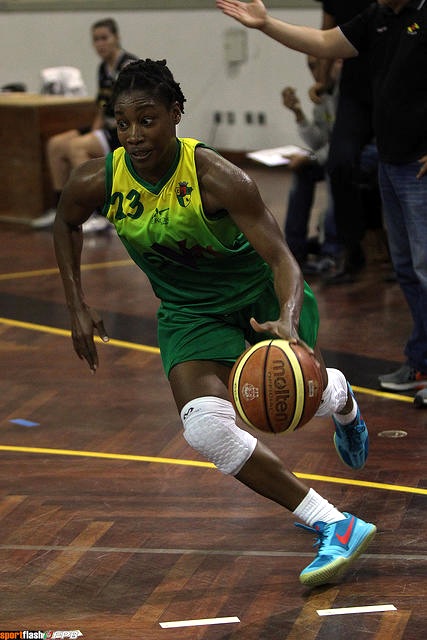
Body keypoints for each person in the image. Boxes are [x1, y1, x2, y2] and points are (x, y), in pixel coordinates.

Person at [53, 58, 375, 588]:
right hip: (189, 314)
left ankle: (339, 397)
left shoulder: (217, 177)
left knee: (286, 405)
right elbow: (66, 222)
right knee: (205, 427)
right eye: (123, 123)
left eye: (147, 120)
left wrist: (288, 320)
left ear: (176, 113)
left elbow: (284, 260)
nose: (133, 135)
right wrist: (76, 305)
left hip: (259, 301)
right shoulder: (99, 178)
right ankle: (333, 523)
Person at [215, 0, 427, 407]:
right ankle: (421, 361)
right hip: (392, 163)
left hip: (419, 168)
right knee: (407, 269)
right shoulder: (380, 17)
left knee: (425, 269)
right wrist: (265, 23)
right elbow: (325, 42)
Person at [32, 17, 137, 232]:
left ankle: (96, 214)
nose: (100, 44)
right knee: (56, 144)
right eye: (96, 39)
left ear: (116, 38)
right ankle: (61, 208)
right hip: (106, 127)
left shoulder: (128, 67)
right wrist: (94, 131)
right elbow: (101, 106)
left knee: (76, 147)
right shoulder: (103, 68)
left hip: (123, 129)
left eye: (104, 38)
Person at [310, 0, 377, 285]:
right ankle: (351, 249)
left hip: (392, 85)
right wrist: (323, 80)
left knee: (390, 165)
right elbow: (326, 37)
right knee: (338, 164)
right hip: (355, 91)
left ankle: (395, 250)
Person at [281, 55, 342, 273]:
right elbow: (319, 141)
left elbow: (342, 144)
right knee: (303, 170)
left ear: (336, 62)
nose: (315, 73)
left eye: (319, 64)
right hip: (335, 154)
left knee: (335, 169)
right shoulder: (322, 96)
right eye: (310, 67)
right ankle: (294, 249)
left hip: (363, 154)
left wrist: (312, 157)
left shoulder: (346, 92)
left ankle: (332, 251)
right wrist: (298, 113)